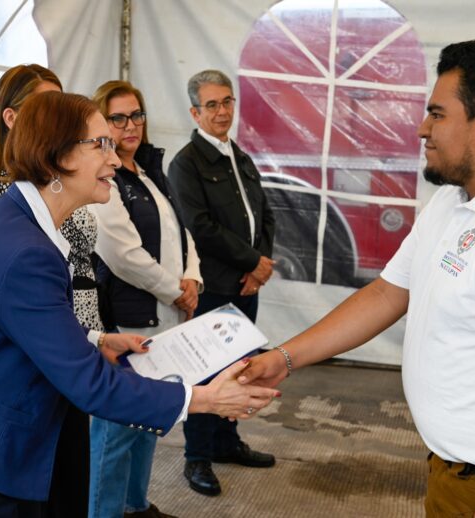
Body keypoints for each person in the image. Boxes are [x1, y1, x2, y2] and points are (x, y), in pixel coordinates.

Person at [240, 36, 475, 517]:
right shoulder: (457, 200)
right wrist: (286, 358)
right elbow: (387, 293)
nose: (422, 129)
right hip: (463, 474)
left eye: (438, 114)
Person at [0, 91, 279, 517]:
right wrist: (203, 399)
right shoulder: (26, 249)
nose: (114, 160)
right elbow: (89, 385)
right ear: (55, 156)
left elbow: (19, 323)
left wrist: (95, 341)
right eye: (101, 144)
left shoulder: (25, 224)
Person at [0, 63, 100, 517]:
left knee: (69, 487)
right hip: (28, 373)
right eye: (46, 108)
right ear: (12, 119)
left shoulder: (54, 181)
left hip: (75, 357)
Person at [87, 80, 201, 518]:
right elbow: (122, 255)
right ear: (101, 124)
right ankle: (104, 512)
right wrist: (177, 290)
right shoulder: (107, 178)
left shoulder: (149, 172)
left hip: (166, 315)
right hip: (129, 321)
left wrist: (192, 279)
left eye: (137, 115)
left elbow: (182, 231)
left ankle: (135, 506)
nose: (130, 125)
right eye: (118, 118)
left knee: (146, 422)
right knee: (116, 430)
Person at [167, 69, 277, 497]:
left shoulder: (239, 156)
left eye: (227, 101)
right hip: (214, 285)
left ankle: (227, 443)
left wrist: (259, 266)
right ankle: (197, 457)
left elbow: (264, 213)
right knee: (207, 374)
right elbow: (200, 227)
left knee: (241, 368)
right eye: (211, 104)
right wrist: (251, 262)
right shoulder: (185, 164)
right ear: (195, 112)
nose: (221, 111)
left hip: (246, 284)